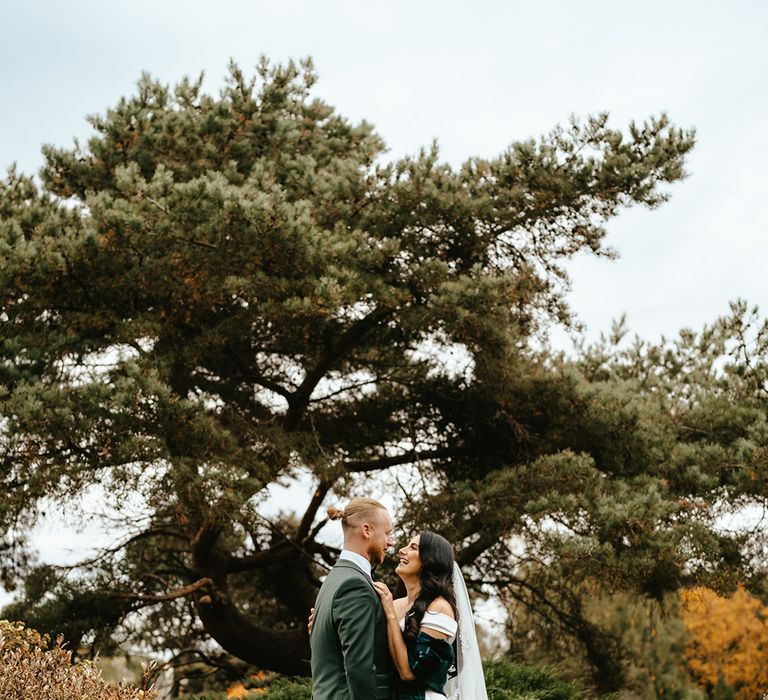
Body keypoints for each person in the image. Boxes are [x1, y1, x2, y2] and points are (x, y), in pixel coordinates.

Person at [372, 531, 489, 700]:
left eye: (413, 547)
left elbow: (408, 673)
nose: (401, 550)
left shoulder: (439, 608)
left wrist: (390, 614)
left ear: (430, 561)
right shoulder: (396, 603)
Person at [309, 497, 395, 700]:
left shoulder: (334, 578)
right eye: (387, 533)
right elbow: (359, 668)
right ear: (367, 530)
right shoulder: (355, 586)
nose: (390, 542)